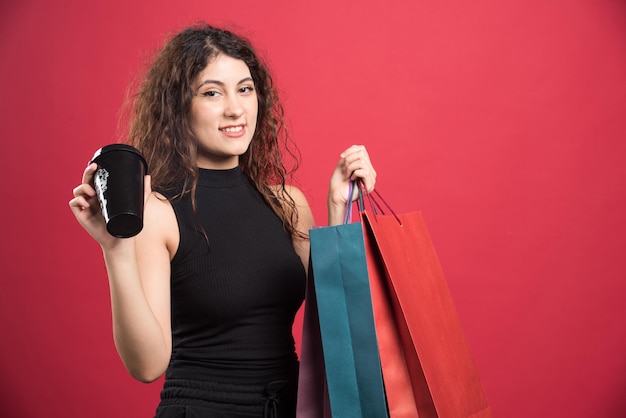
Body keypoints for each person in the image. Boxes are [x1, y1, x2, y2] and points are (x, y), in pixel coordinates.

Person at [69, 22, 376, 418]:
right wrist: (116, 249)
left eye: (245, 89)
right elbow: (146, 366)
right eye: (212, 93)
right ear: (179, 107)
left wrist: (340, 208)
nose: (236, 108)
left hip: (291, 406)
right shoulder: (159, 212)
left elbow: (334, 331)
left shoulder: (289, 204)